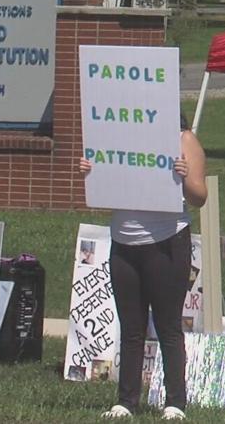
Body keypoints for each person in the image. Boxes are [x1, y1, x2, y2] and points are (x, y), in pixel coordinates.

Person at [79, 113, 207, 421]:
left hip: (166, 241)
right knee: (131, 327)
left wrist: (185, 175)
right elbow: (101, 195)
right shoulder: (118, 138)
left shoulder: (183, 139)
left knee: (168, 326)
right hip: (124, 244)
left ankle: (175, 402)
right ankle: (126, 401)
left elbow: (199, 197)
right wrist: (92, 172)